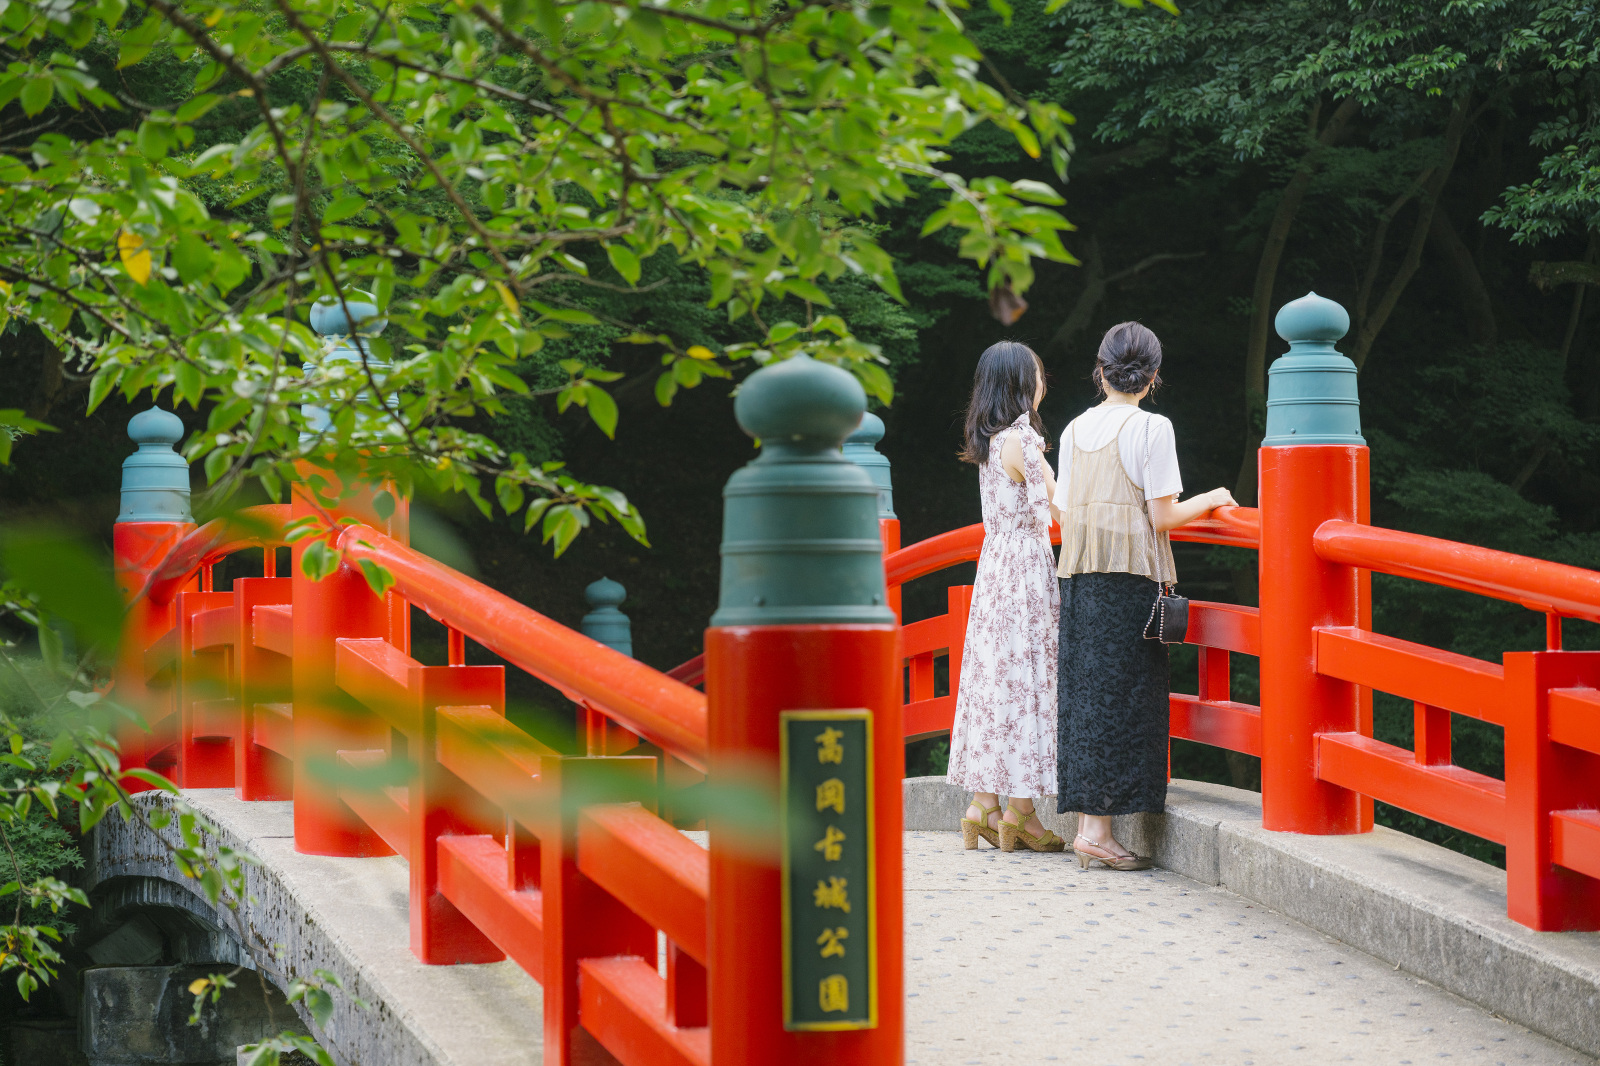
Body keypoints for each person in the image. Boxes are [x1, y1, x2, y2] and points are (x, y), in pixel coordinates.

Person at [1055, 322, 1236, 870]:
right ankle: (1099, 832)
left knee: (1087, 697)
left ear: (1100, 370)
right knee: (1127, 698)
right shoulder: (1152, 428)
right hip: (1129, 581)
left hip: (1079, 578)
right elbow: (1163, 516)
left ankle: (1091, 826)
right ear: (1152, 376)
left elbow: (1063, 511)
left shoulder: (1070, 430)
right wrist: (1210, 498)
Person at [947, 341, 1066, 854]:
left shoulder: (992, 442)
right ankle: (1021, 810)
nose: (1043, 382)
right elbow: (1060, 509)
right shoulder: (1023, 442)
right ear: (1023, 384)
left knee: (997, 682)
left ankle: (984, 805)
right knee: (1029, 681)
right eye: (1037, 374)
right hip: (1025, 572)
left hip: (996, 568)